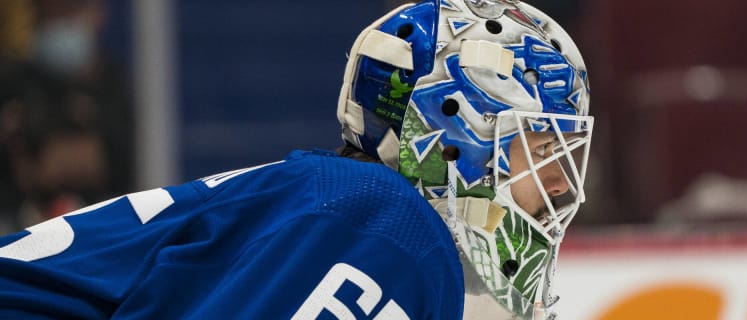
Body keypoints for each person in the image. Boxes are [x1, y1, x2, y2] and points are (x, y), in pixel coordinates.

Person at [0, 0, 592, 319]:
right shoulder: (388, 225)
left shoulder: (346, 214)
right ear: (457, 131)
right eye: (543, 150)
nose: (562, 187)